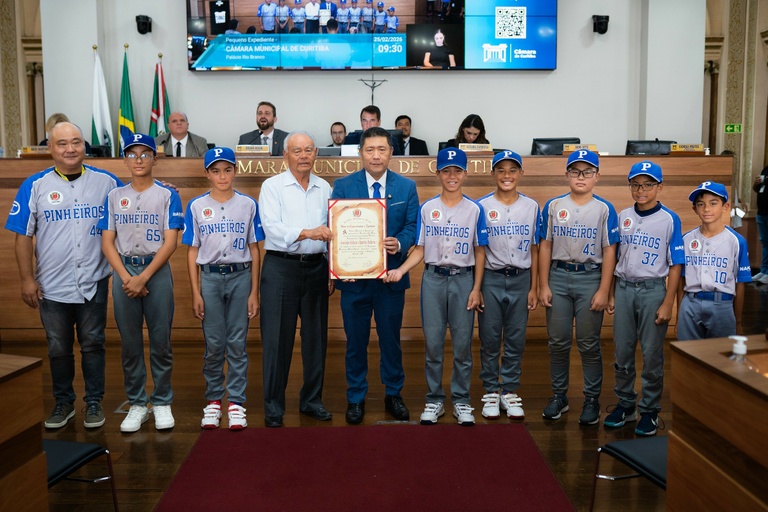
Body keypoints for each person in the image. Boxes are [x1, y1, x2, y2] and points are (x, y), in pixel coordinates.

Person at [5, 122, 122, 430]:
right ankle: (64, 402)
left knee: (93, 343)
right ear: (51, 148)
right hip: (51, 286)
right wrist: (26, 279)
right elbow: (21, 235)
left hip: (93, 280)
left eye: (76, 142)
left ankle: (94, 401)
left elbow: (136, 195)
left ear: (85, 146)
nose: (70, 149)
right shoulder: (35, 185)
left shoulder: (106, 181)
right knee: (58, 346)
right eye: (62, 144)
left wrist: (164, 187)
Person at [385, 148, 487, 426]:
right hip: (433, 279)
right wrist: (400, 270)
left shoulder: (475, 209)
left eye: (457, 171)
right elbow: (419, 248)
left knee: (463, 344)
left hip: (464, 279)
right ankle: (434, 399)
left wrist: (477, 288)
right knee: (433, 344)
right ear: (438, 173)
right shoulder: (428, 208)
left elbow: (480, 252)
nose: (451, 176)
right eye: (446, 171)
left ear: (465, 174)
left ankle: (462, 400)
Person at [331, 126, 419, 424]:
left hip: (390, 278)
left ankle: (393, 393)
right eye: (370, 150)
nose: (376, 155)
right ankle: (355, 397)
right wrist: (342, 265)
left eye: (382, 149)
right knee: (355, 341)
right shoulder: (343, 186)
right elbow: (335, 230)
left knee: (390, 340)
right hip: (354, 280)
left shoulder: (406, 187)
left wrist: (401, 242)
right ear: (360, 153)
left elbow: (412, 226)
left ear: (391, 153)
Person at [97, 133, 184, 433]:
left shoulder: (168, 195)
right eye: (132, 154)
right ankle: (137, 404)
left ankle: (161, 401)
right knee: (130, 344)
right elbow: (107, 242)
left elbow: (171, 242)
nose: (138, 160)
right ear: (124, 159)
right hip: (124, 273)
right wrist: (126, 278)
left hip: (155, 273)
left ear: (155, 159)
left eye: (144, 154)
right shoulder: (113, 197)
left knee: (160, 342)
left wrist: (144, 277)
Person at [183, 147, 264, 430]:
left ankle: (237, 402)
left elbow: (255, 249)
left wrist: (255, 291)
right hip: (210, 278)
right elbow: (192, 251)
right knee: (215, 343)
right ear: (207, 173)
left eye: (227, 170)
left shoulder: (248, 204)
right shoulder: (195, 206)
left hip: (241, 276)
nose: (222, 176)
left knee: (237, 344)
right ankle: (214, 400)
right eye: (215, 171)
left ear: (235, 171)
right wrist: (195, 292)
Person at [538, 149, 618, 425]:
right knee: (558, 342)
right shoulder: (553, 205)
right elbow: (545, 245)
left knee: (588, 343)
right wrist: (543, 284)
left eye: (587, 172)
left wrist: (604, 290)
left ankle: (591, 399)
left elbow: (610, 251)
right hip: (559, 277)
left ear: (597, 176)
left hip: (590, 278)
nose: (581, 177)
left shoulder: (604, 209)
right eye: (575, 171)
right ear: (567, 175)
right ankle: (559, 396)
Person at [258, 132, 334, 428]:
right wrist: (308, 232)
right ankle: (273, 407)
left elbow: (331, 231)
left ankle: (311, 400)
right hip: (281, 269)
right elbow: (272, 228)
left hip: (317, 268)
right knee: (277, 341)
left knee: (316, 339)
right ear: (285, 155)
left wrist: (332, 269)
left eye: (308, 150)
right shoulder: (272, 186)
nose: (303, 156)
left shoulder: (324, 187)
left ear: (316, 154)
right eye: (297, 151)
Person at [604, 161, 684, 437]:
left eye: (648, 184)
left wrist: (668, 302)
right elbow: (615, 256)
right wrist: (612, 293)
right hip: (625, 289)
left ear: (659, 187)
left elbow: (675, 265)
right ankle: (627, 404)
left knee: (651, 354)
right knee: (623, 351)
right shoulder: (622, 215)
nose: (641, 190)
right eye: (636, 184)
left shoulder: (669, 219)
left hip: (653, 291)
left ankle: (649, 409)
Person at [477, 151, 539, 420]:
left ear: (521, 173)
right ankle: (491, 391)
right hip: (491, 278)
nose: (506, 175)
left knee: (515, 338)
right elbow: (477, 250)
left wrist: (535, 286)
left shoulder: (532, 206)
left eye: (512, 170)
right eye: (501, 170)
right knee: (490, 338)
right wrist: (477, 286)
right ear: (493, 174)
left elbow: (537, 249)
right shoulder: (481, 206)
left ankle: (510, 391)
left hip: (520, 278)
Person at [677, 181, 750, 341]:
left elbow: (740, 283)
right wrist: (679, 315)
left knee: (721, 358)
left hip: (722, 305)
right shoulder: (686, 239)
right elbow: (681, 280)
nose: (707, 209)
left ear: (725, 206)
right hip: (691, 303)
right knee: (688, 356)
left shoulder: (736, 241)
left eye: (713, 203)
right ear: (694, 208)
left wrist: (738, 321)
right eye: (701, 204)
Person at [752, 165, 768, 284]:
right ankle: (764, 270)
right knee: (765, 242)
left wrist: (765, 179)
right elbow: (757, 189)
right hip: (762, 211)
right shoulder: (766, 168)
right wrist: (756, 184)